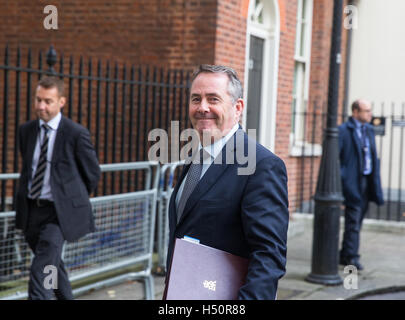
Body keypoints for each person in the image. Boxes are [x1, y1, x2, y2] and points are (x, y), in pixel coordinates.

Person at [165, 65, 289, 300]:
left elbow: (268, 257)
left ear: (237, 107)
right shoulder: (195, 157)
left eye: (213, 99)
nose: (202, 108)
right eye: (195, 99)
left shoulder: (261, 165)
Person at [14, 76, 101, 300]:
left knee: (40, 271)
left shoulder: (75, 133)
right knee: (53, 266)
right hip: (32, 211)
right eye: (38, 100)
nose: (41, 106)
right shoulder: (26, 131)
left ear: (61, 102)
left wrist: (70, 198)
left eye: (48, 101)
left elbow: (92, 174)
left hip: (58, 214)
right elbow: (29, 169)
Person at [338, 99, 384, 270]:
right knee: (353, 223)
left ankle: (345, 253)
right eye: (366, 111)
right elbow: (339, 160)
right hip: (352, 183)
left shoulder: (369, 130)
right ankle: (352, 257)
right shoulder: (343, 131)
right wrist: (343, 185)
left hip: (367, 181)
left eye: (370, 110)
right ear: (355, 112)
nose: (370, 114)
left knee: (357, 222)